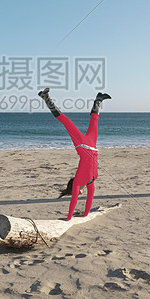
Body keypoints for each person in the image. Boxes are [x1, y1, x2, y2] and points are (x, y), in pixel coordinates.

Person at [38, 88, 111, 220]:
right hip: (92, 145)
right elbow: (90, 198)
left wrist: (69, 217)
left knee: (66, 121)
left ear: (75, 190)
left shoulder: (78, 182)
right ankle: (98, 100)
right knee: (95, 121)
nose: (78, 194)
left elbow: (74, 201)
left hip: (82, 145)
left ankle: (46, 98)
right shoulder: (92, 180)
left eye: (75, 193)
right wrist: (85, 214)